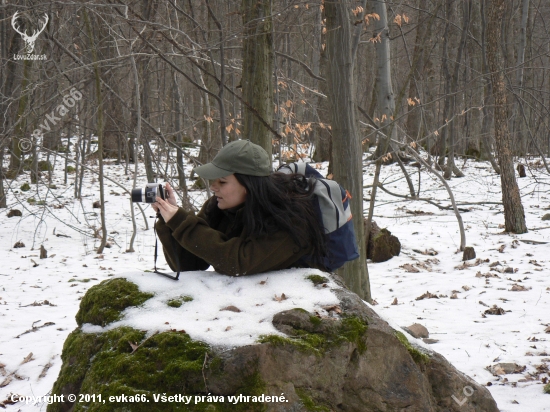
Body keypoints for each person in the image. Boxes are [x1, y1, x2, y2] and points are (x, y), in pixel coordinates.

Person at [153, 139, 327, 276]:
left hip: (291, 303)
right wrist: (168, 220)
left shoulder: (290, 218)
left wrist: (181, 221)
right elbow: (190, 264)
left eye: (222, 181)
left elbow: (238, 263)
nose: (213, 187)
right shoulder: (220, 206)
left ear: (249, 184)